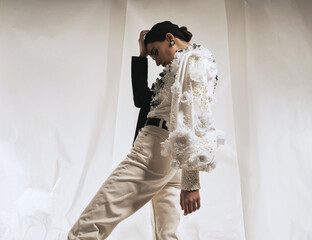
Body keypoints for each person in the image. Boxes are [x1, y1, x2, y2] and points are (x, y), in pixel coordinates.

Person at [67, 20, 225, 240]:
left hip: (154, 152)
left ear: (170, 38)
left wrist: (191, 181)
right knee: (166, 234)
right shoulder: (182, 66)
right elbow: (142, 99)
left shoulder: (194, 62)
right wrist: (142, 55)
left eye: (155, 52)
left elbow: (195, 119)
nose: (157, 62)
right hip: (171, 157)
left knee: (91, 224)